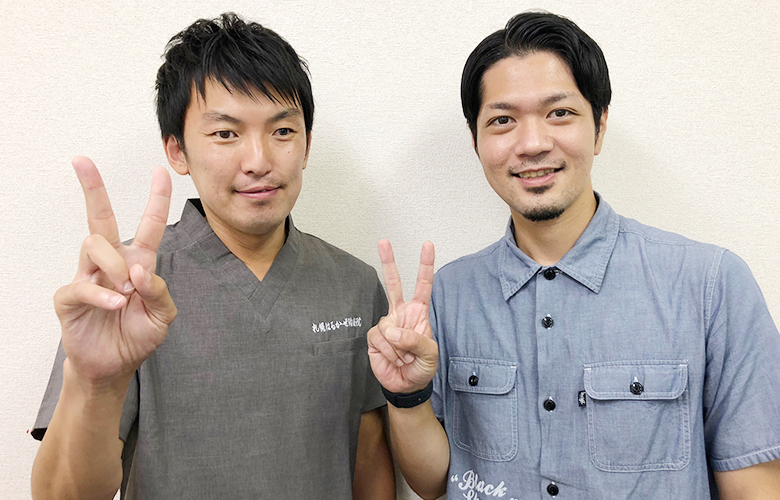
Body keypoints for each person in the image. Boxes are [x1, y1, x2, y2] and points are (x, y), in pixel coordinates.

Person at [367, 11, 780, 499]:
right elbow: (435, 482)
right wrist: (407, 396)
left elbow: (754, 486)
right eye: (502, 120)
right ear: (476, 140)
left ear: (600, 126)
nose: (532, 144)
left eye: (559, 113)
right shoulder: (448, 295)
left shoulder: (710, 285)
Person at [30, 13, 394, 499]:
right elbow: (61, 495)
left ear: (307, 144)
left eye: (283, 131)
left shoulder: (353, 284)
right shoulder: (128, 287)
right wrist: (96, 382)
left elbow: (368, 461)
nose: (259, 161)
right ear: (177, 151)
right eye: (226, 134)